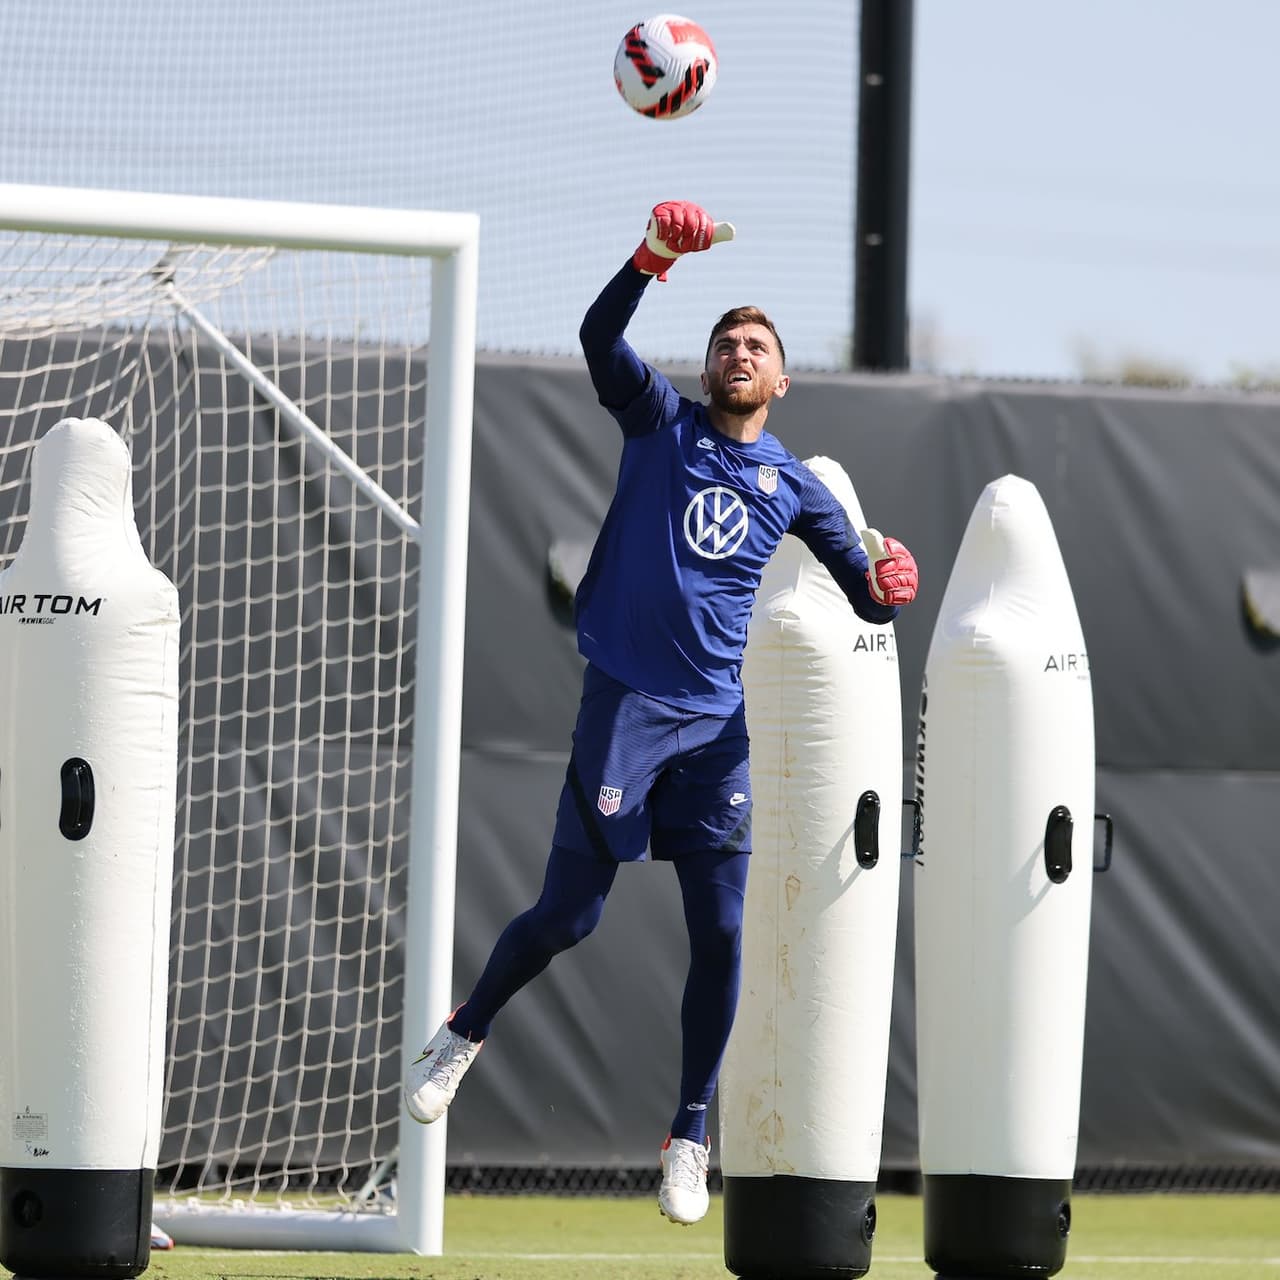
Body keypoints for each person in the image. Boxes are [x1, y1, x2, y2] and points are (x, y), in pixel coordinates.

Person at [404, 200, 919, 1226]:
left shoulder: (793, 482)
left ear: (780, 380)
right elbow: (600, 337)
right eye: (726, 339)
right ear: (708, 364)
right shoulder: (660, 422)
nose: (737, 350)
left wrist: (888, 582)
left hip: (713, 727)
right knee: (571, 914)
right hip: (626, 706)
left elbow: (861, 590)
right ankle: (462, 1028)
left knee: (723, 930)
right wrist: (649, 258)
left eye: (756, 344)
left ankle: (689, 1132)